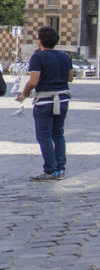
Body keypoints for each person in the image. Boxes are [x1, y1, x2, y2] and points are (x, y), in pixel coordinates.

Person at [16, 26, 74, 181]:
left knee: (44, 136)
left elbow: (33, 81)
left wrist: (25, 93)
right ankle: (61, 168)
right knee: (58, 134)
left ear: (39, 40)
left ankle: (50, 170)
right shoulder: (65, 56)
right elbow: (70, 78)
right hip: (63, 98)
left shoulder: (38, 57)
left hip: (45, 100)